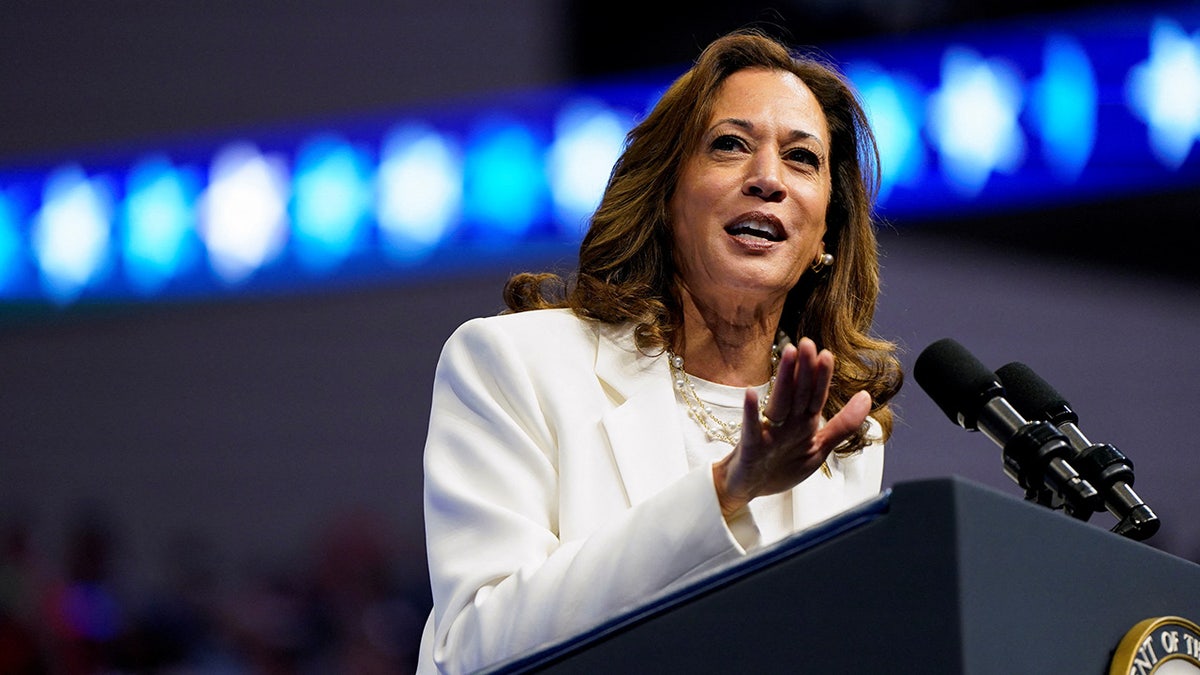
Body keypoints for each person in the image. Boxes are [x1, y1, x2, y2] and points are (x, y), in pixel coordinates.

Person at [416, 28, 904, 674]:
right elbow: (473, 651)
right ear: (667, 198)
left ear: (825, 235)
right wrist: (724, 494)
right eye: (730, 145)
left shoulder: (844, 442)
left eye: (801, 158)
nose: (767, 179)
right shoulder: (513, 366)